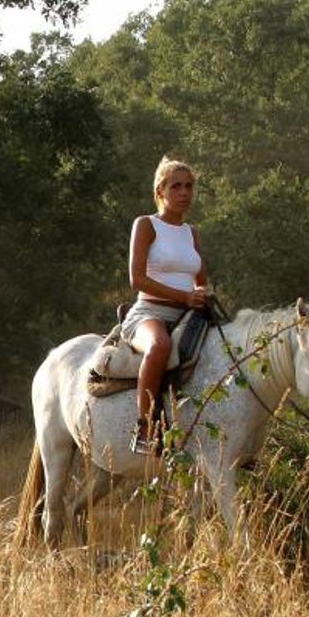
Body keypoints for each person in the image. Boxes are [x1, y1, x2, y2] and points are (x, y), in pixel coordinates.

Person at [123, 156, 209, 455]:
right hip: (150, 312)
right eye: (176, 187)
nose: (184, 192)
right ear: (160, 191)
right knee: (159, 345)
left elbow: (200, 279)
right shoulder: (146, 225)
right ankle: (145, 429)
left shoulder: (191, 232)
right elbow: (137, 279)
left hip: (189, 316)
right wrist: (184, 297)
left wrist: (201, 295)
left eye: (189, 186)